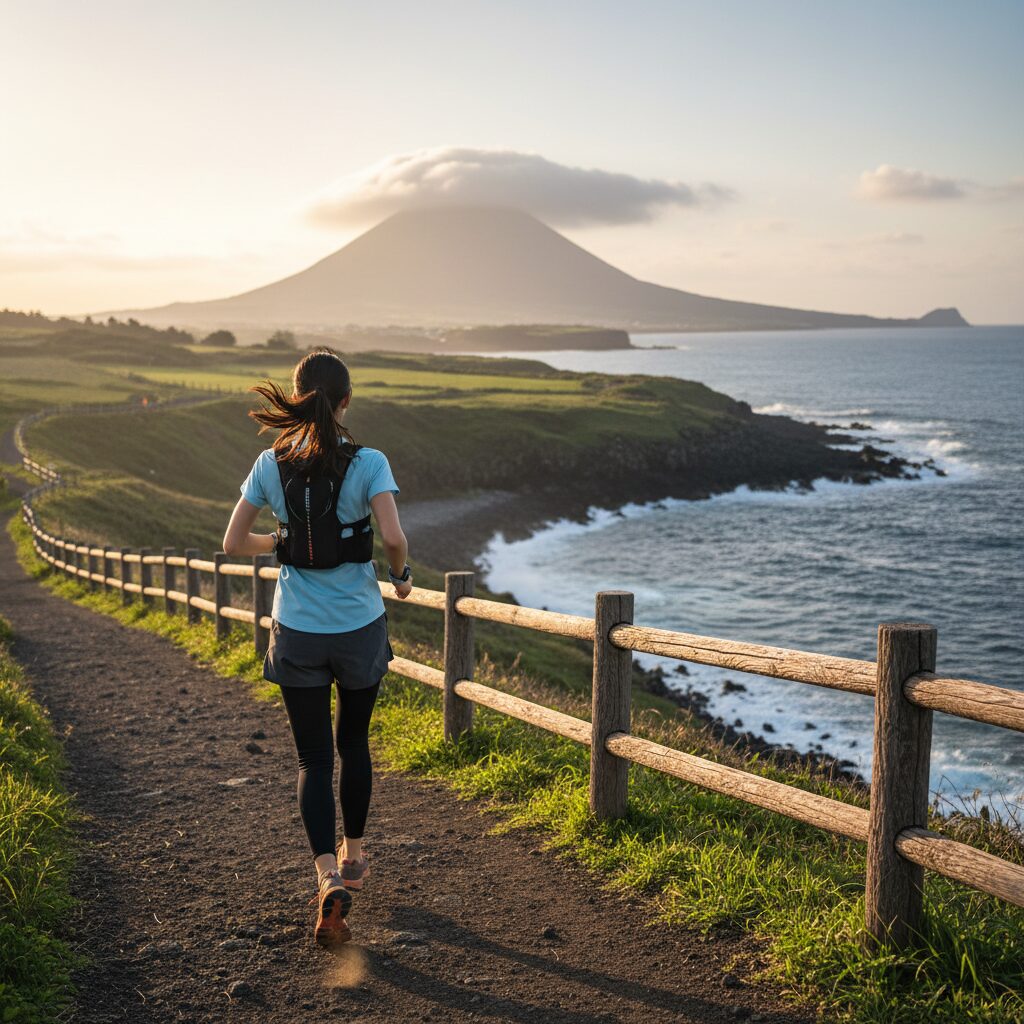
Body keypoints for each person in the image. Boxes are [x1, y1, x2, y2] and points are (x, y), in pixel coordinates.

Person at [222, 347, 412, 947]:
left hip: (297, 629)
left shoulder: (269, 464)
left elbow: (231, 542)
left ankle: (326, 876)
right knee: (353, 742)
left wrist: (281, 542)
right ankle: (355, 857)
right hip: (358, 626)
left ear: (298, 398)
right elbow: (393, 537)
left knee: (311, 759)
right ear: (348, 399)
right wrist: (401, 576)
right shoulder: (370, 461)